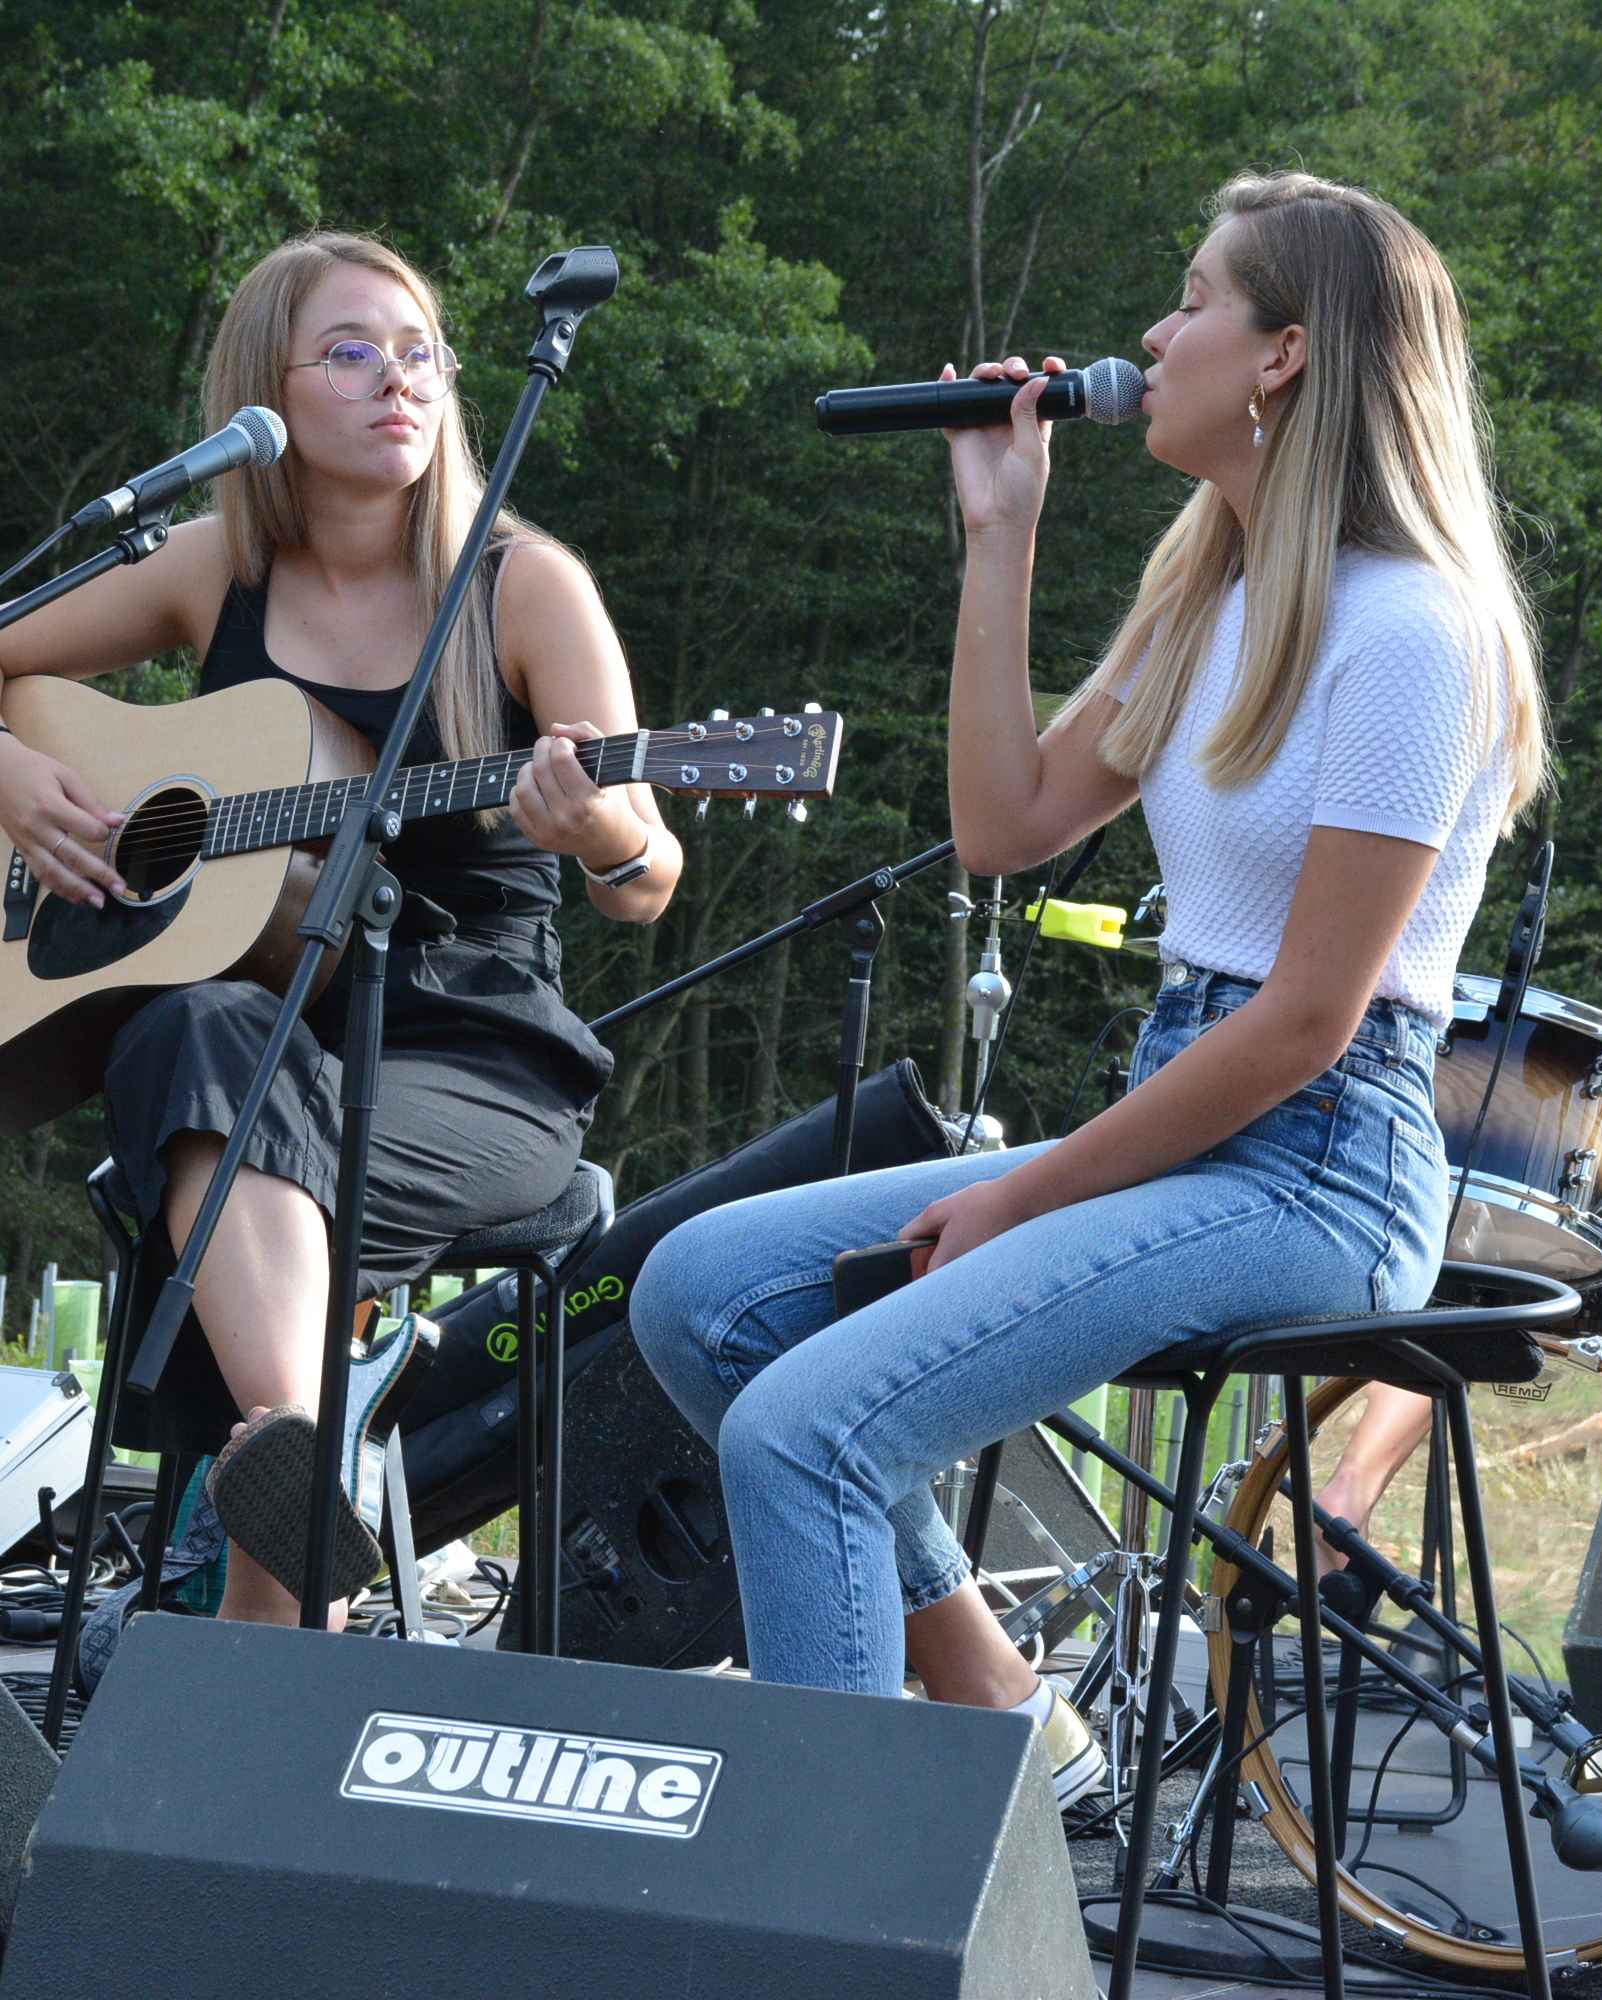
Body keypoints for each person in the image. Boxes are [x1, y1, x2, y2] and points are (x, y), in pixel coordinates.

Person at [627, 173, 1548, 1802]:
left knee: (806, 1437)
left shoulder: (1417, 629)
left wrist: (1030, 1193)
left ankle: (828, 1916)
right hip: (1201, 1121)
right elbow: (1006, 825)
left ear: (1282, 357)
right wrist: (1003, 530)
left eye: (1192, 297)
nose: (1149, 332)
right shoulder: (1215, 591)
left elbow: (1309, 1022)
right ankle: (1001, 1708)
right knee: (700, 1290)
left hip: (1322, 1161)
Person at [0, 230, 680, 1627]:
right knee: (193, 1032)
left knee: (256, 1147)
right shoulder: (216, 573)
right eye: (352, 351)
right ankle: (290, 1461)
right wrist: (4, 770)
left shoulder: (522, 585)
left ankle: (271, 1496)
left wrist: (602, 827)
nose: (401, 379)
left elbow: (650, 874)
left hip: (477, 1060)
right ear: (265, 389)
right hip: (265, 1049)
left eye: (422, 351)